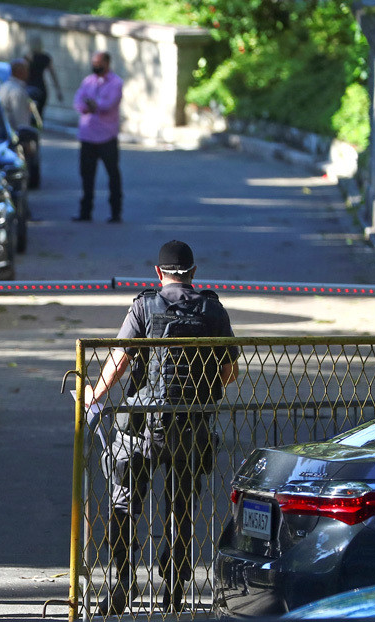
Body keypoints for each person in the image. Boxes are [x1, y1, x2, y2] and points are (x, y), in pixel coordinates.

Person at [83, 240, 240, 614]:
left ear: (159, 273)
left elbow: (121, 360)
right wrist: (205, 390)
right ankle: (173, 587)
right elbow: (231, 369)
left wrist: (94, 394)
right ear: (194, 273)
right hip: (192, 425)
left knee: (123, 502)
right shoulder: (212, 310)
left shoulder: (143, 307)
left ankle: (122, 583)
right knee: (181, 507)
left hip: (142, 426)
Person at [72, 51, 123, 223]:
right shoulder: (88, 81)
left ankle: (116, 212)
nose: (95, 65)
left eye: (98, 62)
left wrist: (95, 105)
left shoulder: (115, 83)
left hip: (106, 136)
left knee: (113, 175)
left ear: (107, 63)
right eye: (94, 62)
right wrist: (89, 106)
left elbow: (109, 104)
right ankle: (85, 212)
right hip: (87, 136)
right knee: (86, 176)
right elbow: (78, 102)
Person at [27, 38, 64, 121]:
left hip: (29, 88)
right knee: (38, 117)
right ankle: (37, 131)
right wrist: (58, 90)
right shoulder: (45, 58)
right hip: (41, 88)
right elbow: (53, 75)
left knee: (28, 116)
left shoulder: (28, 57)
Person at [0, 58, 32, 132]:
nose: (28, 73)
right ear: (19, 72)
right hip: (13, 136)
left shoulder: (3, 87)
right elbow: (21, 121)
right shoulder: (18, 91)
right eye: (26, 70)